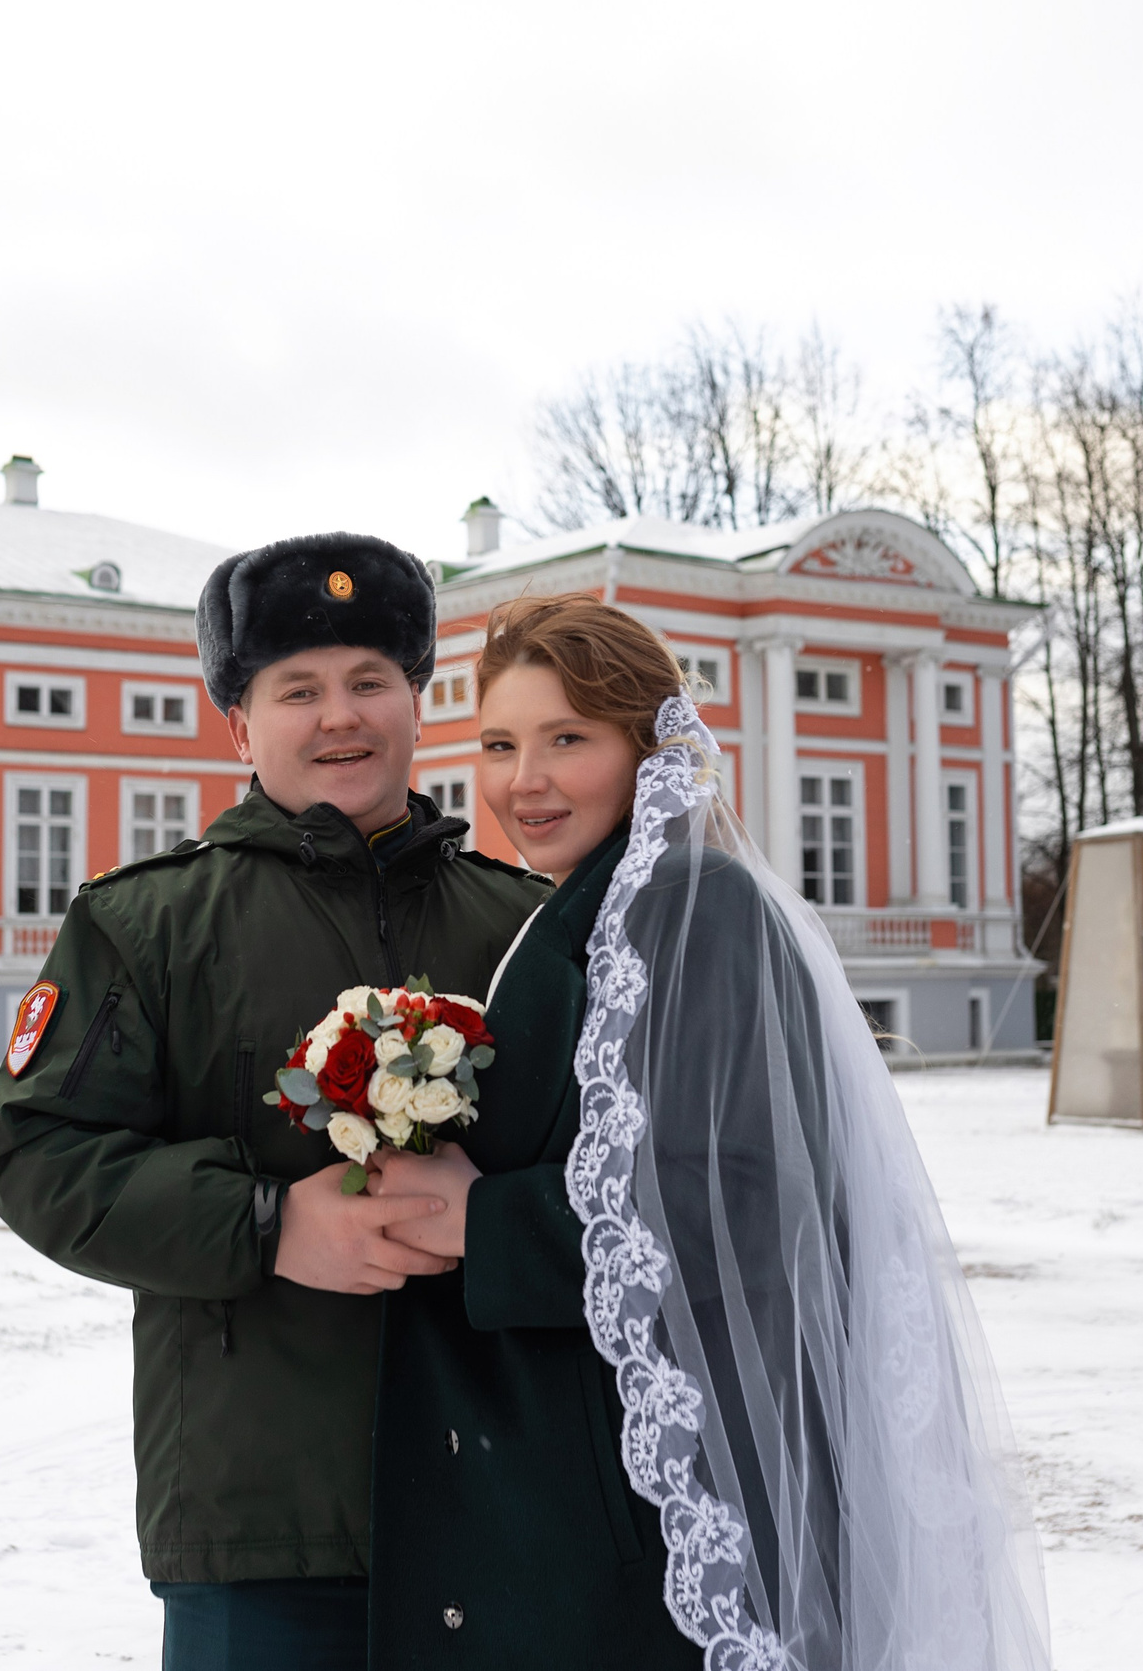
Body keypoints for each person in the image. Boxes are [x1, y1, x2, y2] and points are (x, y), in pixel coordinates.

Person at [366, 594, 1052, 1670]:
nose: (523, 780)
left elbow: (744, 1194)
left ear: (647, 749)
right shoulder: (587, 901)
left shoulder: (692, 902)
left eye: (568, 740)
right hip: (576, 1481)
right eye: (499, 744)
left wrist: (484, 1218)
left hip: (656, 1497)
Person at [0, 533, 546, 1671]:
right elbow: (38, 1156)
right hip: (260, 1524)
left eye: (369, 680)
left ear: (415, 701)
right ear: (239, 722)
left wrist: (496, 1214)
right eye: (299, 688)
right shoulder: (143, 925)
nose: (340, 715)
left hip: (515, 1502)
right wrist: (270, 1224)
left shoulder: (526, 925)